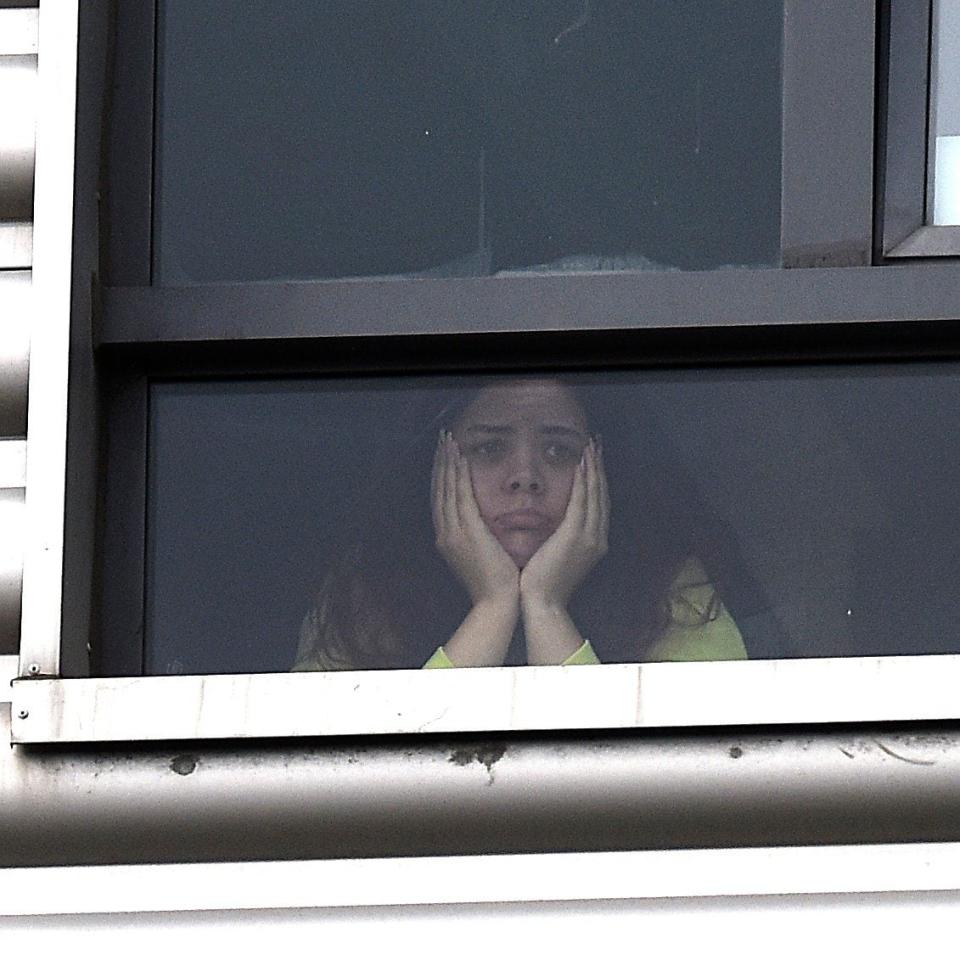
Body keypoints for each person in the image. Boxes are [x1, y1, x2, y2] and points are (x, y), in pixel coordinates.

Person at [293, 377, 747, 671]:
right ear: (437, 471)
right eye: (490, 449)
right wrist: (492, 608)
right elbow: (375, 803)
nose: (525, 477)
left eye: (558, 451)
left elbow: (639, 808)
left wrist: (546, 605)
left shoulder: (673, 594)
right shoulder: (365, 600)